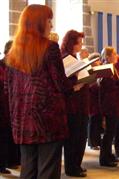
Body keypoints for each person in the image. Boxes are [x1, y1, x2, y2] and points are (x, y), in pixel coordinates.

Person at [4, 5, 75, 178]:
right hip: (47, 120)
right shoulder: (50, 47)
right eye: (49, 21)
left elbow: (7, 87)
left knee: (28, 169)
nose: (51, 25)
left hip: (22, 120)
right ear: (39, 23)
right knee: (48, 169)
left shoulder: (14, 50)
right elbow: (60, 83)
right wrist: (74, 83)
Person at [61, 30, 89, 177]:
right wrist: (73, 87)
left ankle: (77, 164)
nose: (81, 45)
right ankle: (72, 168)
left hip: (81, 104)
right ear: (72, 43)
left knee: (81, 136)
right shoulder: (65, 58)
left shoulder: (74, 58)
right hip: (72, 105)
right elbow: (63, 82)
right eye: (79, 42)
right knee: (73, 137)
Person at [99, 46, 119, 166]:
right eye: (114, 54)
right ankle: (104, 158)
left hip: (115, 103)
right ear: (108, 57)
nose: (117, 56)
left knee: (111, 132)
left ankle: (109, 155)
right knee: (108, 133)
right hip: (109, 104)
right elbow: (107, 87)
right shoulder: (106, 68)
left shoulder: (113, 67)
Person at [0, 40, 20, 175]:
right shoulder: (1, 65)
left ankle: (12, 160)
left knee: (10, 135)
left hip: (12, 107)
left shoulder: (14, 66)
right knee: (2, 136)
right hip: (2, 107)